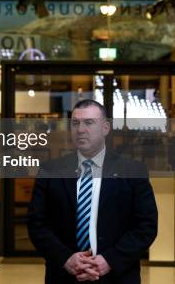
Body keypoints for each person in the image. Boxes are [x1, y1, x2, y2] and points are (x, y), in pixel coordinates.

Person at [27, 99, 158, 283]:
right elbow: (36, 224)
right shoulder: (50, 170)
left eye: (89, 123)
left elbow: (146, 226)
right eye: (75, 123)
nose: (80, 129)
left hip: (116, 276)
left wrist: (110, 260)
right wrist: (66, 258)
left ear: (105, 128)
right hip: (64, 276)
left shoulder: (132, 171)